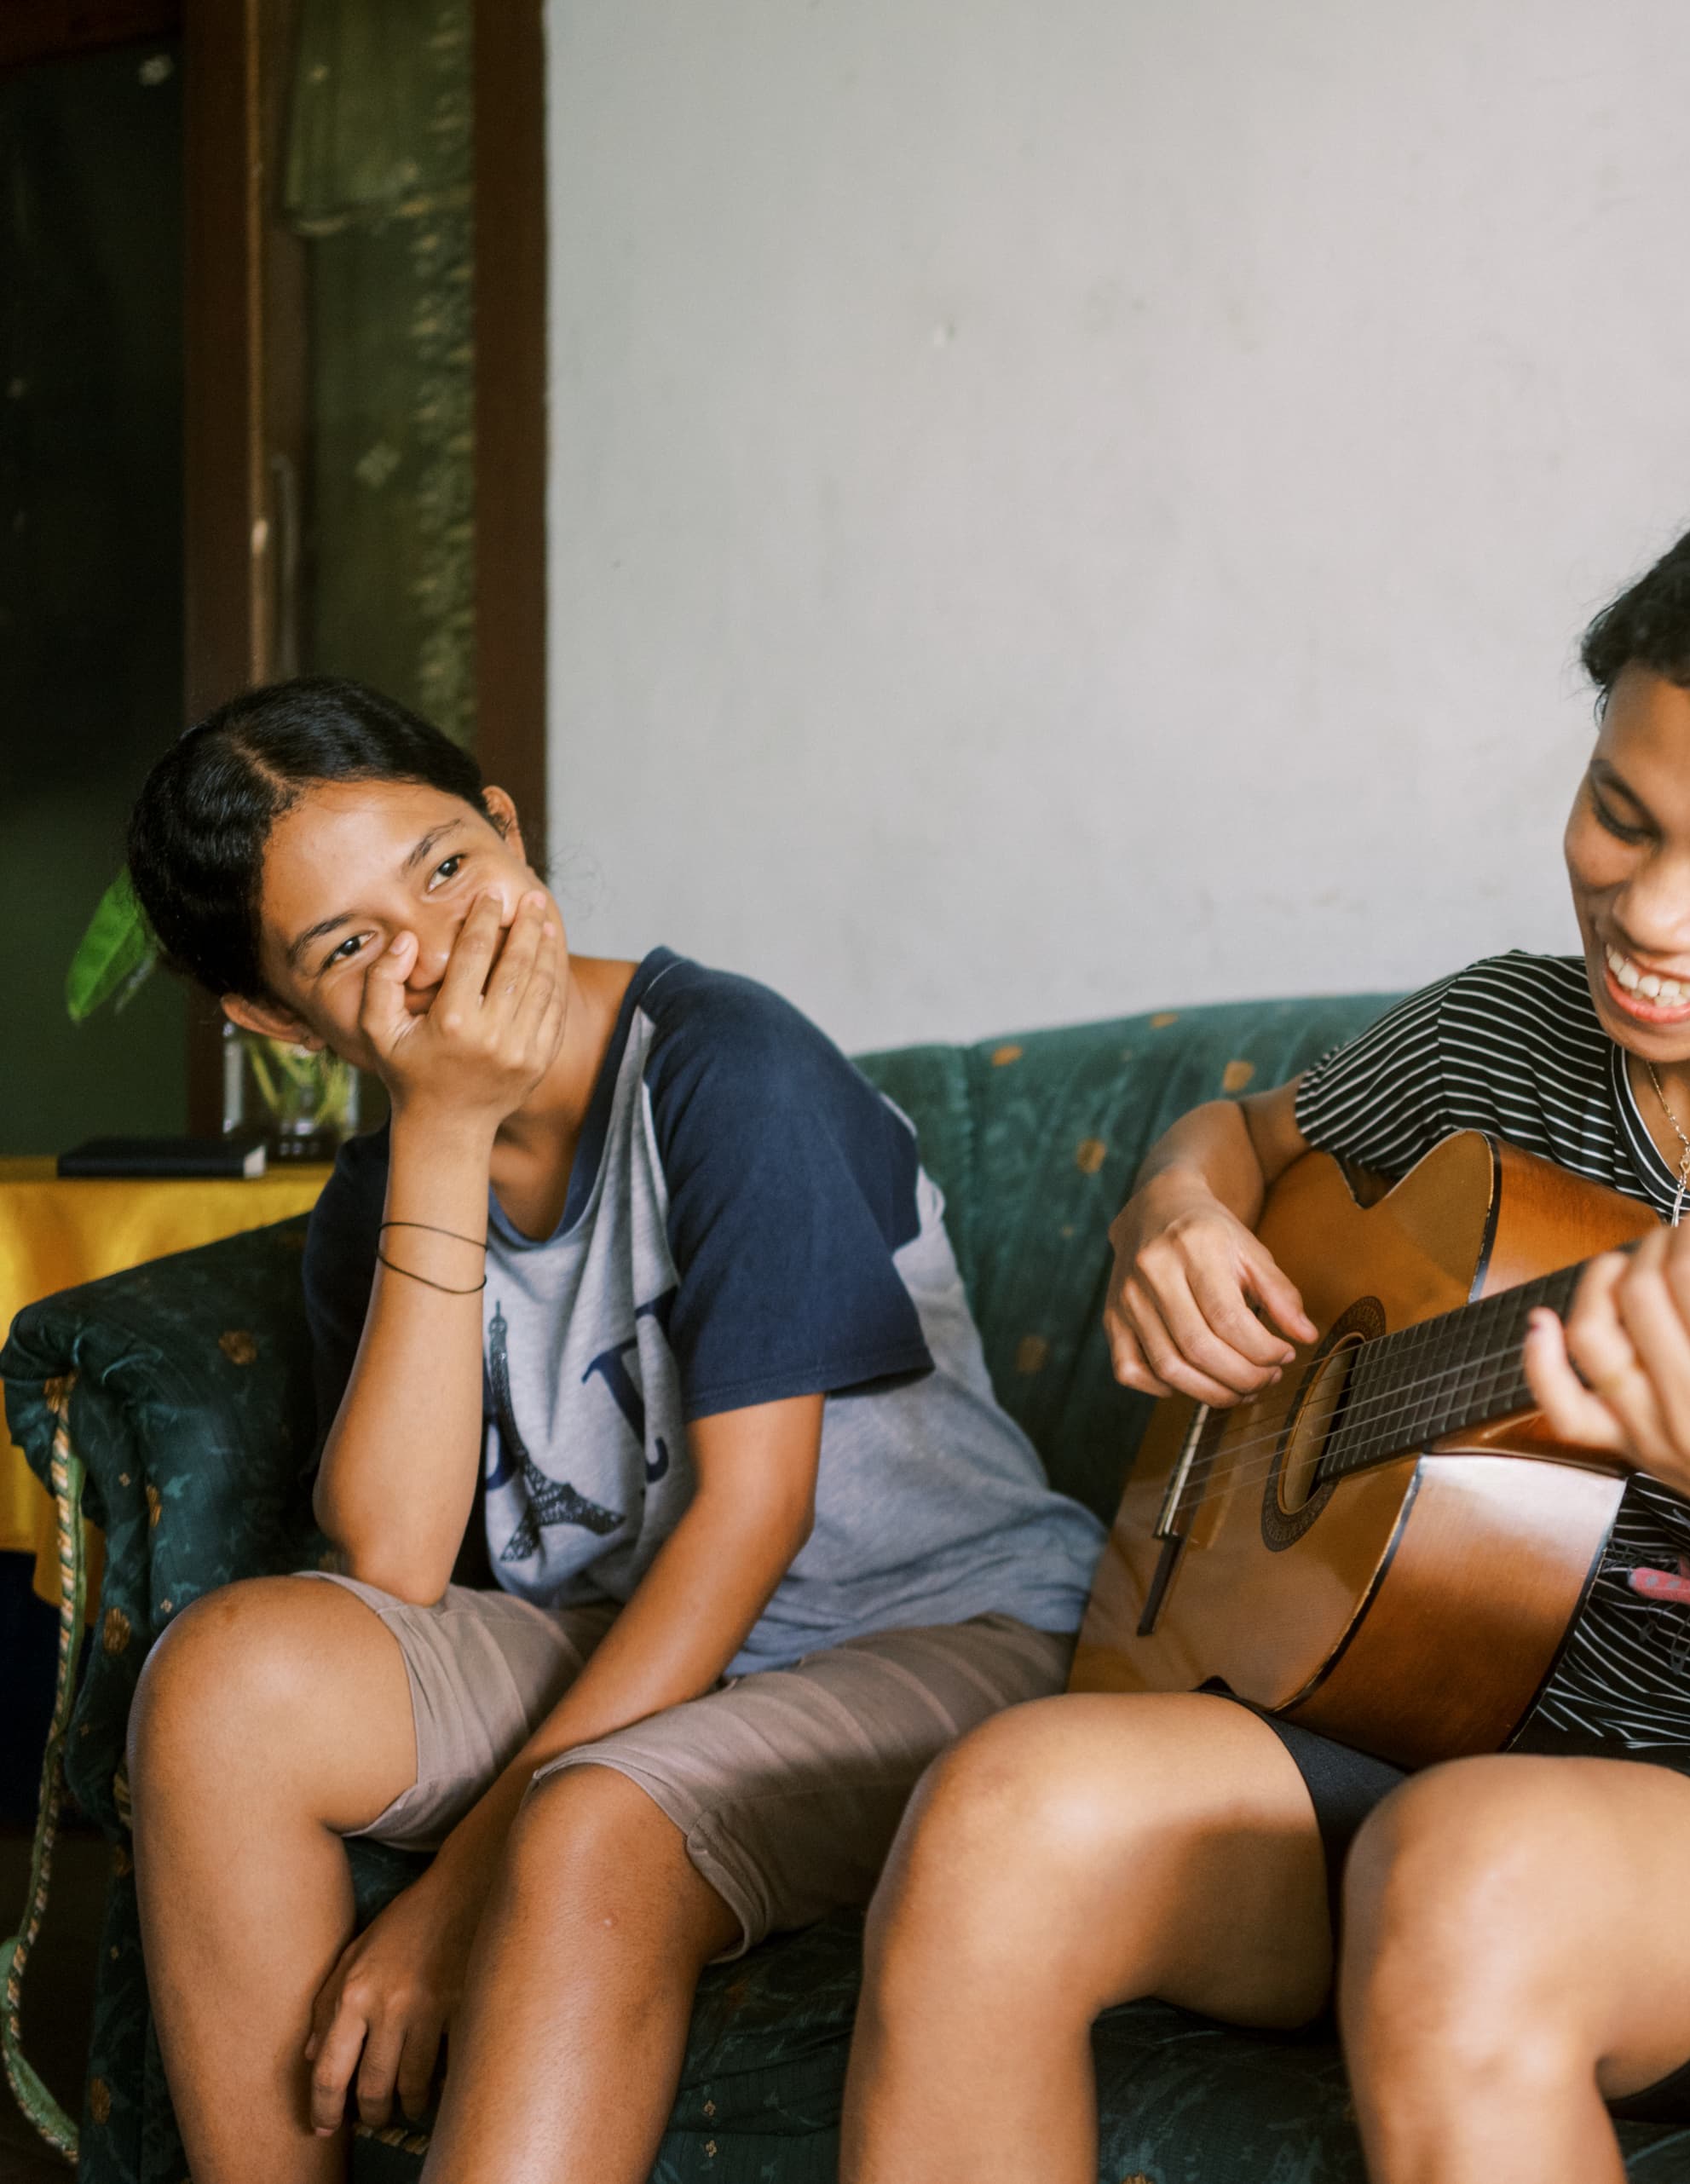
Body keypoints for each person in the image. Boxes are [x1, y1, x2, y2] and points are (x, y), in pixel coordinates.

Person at [839, 488, 1690, 2181]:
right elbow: (1251, 1139)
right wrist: (1176, 1211)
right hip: (1472, 1739)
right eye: (1618, 816)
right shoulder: (1505, 1031)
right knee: (999, 1814)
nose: (1652, 918)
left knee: (1470, 1862)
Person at [118, 678, 1106, 2184]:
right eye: (351, 946)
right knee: (222, 1685)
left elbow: (750, 1521)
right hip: (624, 1639)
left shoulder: (728, 1065)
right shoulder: (375, 1202)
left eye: (445, 866)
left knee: (591, 1825)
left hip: (929, 1632)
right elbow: (389, 1556)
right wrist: (439, 1138)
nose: (437, 950)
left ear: (511, 829)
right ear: (272, 1014)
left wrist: (458, 1894)